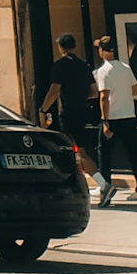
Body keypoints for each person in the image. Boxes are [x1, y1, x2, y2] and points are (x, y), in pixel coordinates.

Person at [93, 34, 137, 205]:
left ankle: (106, 189)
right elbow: (136, 90)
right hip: (129, 115)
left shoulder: (103, 71)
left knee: (105, 154)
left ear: (102, 51)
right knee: (134, 153)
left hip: (113, 117)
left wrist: (105, 120)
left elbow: (103, 97)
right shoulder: (125, 68)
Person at [39, 33, 98, 171]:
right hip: (82, 111)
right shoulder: (84, 66)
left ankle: (102, 183)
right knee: (76, 149)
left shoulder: (60, 66)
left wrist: (43, 109)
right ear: (75, 47)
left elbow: (54, 90)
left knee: (76, 149)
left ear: (60, 47)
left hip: (68, 113)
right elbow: (94, 92)